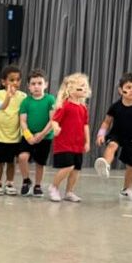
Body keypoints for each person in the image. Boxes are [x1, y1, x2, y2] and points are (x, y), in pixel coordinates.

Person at [94, 72, 132, 201]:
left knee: (131, 166)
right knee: (112, 145)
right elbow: (106, 122)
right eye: (128, 87)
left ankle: (127, 189)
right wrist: (101, 134)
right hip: (116, 134)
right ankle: (105, 165)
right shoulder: (115, 106)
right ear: (121, 90)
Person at [46, 73, 91, 202]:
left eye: (85, 86)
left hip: (78, 144)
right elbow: (54, 120)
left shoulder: (83, 108)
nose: (84, 89)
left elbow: (85, 125)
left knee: (76, 169)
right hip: (64, 143)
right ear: (70, 89)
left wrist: (87, 141)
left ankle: (69, 192)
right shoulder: (64, 105)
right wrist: (56, 128)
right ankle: (53, 187)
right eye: (80, 86)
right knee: (68, 166)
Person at [17, 69, 57, 197]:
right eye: (33, 84)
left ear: (46, 84)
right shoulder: (26, 101)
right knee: (22, 157)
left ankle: (38, 185)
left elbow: (52, 120)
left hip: (45, 137)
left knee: (40, 162)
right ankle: (26, 180)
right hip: (28, 136)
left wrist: (42, 134)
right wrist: (28, 135)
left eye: (40, 83)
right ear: (28, 86)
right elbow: (22, 121)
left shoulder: (50, 99)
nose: (36, 86)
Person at [0, 65, 26, 194]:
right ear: (3, 82)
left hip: (15, 136)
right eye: (11, 80)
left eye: (17, 80)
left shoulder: (23, 96)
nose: (15, 82)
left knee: (11, 162)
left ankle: (10, 183)